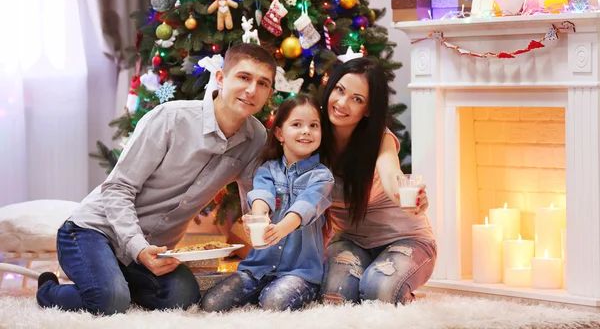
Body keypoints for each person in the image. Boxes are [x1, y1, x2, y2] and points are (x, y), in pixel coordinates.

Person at [35, 43, 277, 315]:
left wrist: (258, 223)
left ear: (268, 92)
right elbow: (117, 188)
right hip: (94, 231)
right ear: (221, 79)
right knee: (109, 302)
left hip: (156, 250)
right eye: (244, 77)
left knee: (183, 296)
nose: (251, 90)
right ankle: (49, 288)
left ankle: (112, 281)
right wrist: (138, 249)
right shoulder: (170, 119)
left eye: (263, 83)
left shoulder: (256, 138)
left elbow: (252, 193)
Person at [319, 58, 436, 305]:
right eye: (340, 90)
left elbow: (392, 177)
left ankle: (400, 293)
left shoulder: (379, 139)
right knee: (335, 297)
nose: (342, 103)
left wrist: (409, 197)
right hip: (351, 241)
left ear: (368, 109)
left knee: (377, 291)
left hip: (405, 238)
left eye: (357, 99)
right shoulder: (313, 134)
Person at [202, 94, 334, 312]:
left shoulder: (322, 177)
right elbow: (263, 196)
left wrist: (280, 229)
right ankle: (262, 291)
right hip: (257, 268)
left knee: (274, 302)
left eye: (313, 125)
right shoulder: (268, 170)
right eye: (297, 124)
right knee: (212, 303)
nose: (306, 131)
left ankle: (277, 293)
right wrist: (258, 218)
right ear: (280, 133)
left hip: (300, 272)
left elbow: (306, 207)